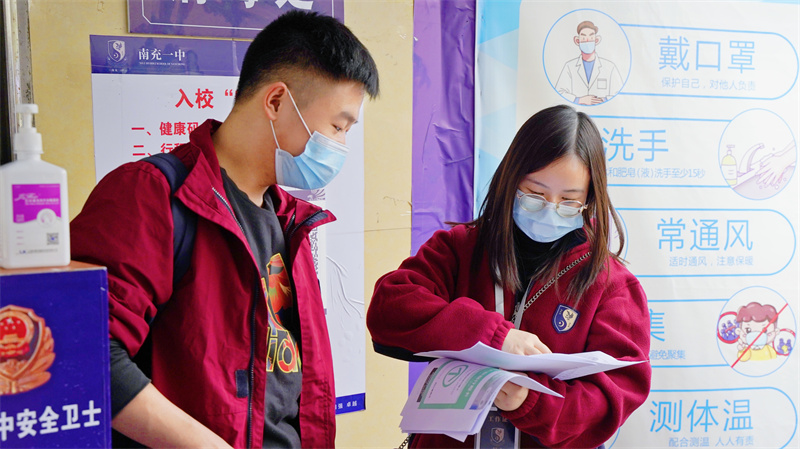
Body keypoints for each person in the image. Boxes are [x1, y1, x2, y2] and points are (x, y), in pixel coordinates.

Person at [71, 10, 378, 448]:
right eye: (337, 126)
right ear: (276, 101)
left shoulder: (290, 220)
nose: (340, 145)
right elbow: (81, 348)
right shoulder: (152, 194)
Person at [367, 105, 650, 448]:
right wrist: (493, 336)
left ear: (590, 199)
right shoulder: (462, 248)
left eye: (569, 201)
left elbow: (613, 395)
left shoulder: (611, 285)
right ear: (511, 180)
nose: (550, 209)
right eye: (535, 194)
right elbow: (390, 306)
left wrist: (530, 401)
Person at [554, 21, 623, 105]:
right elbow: (559, 92)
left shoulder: (610, 67)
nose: (587, 41)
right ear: (577, 41)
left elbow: (620, 93)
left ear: (596, 40)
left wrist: (604, 99)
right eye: (583, 38)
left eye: (591, 38)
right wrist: (578, 100)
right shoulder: (569, 66)